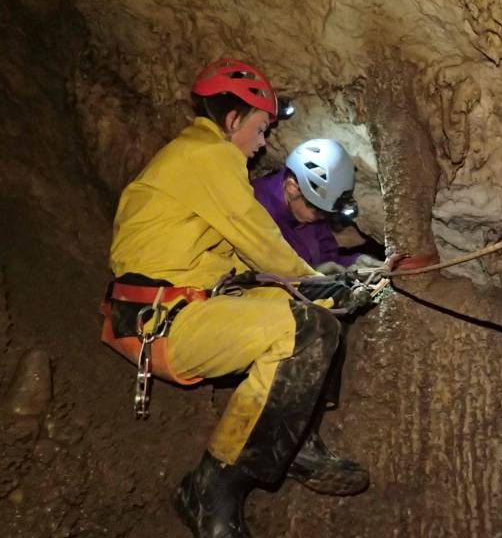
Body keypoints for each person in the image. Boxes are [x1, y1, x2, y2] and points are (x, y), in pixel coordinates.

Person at [100, 57, 370, 538]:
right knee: (304, 327)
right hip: (160, 319)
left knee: (312, 315)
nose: (264, 142)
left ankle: (297, 442)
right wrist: (313, 281)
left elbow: (237, 263)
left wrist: (320, 289)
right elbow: (258, 237)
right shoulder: (208, 157)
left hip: (181, 306)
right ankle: (210, 489)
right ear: (232, 120)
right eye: (261, 128)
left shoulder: (196, 164)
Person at [251, 138, 383, 271]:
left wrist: (355, 262)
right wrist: (312, 274)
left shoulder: (314, 207)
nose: (321, 217)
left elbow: (329, 261)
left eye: (327, 212)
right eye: (318, 210)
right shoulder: (254, 206)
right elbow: (263, 272)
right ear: (292, 188)